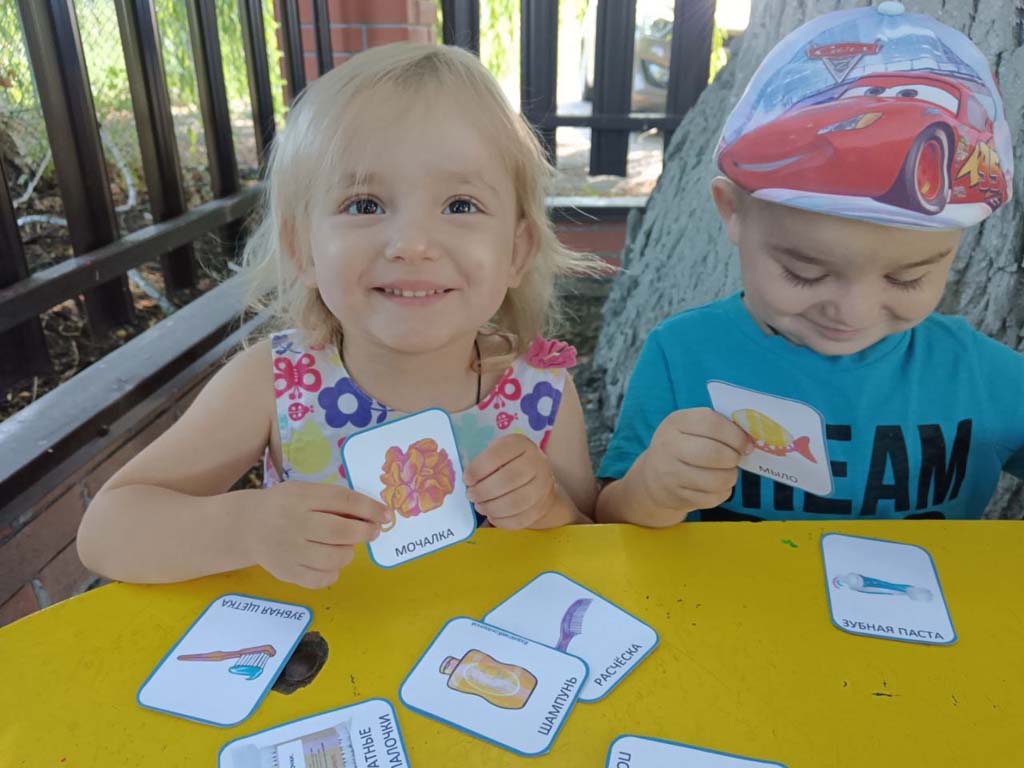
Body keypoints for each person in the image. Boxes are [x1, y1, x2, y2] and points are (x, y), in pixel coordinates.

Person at [79, 43, 602, 588]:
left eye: (460, 205)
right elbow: (107, 530)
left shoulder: (542, 396)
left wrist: (551, 509)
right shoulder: (274, 384)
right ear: (302, 249)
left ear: (516, 252)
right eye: (364, 205)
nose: (412, 244)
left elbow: (600, 549)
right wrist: (245, 527)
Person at [597, 2, 1023, 525]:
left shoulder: (981, 375)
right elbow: (609, 521)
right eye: (805, 273)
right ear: (733, 213)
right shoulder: (682, 356)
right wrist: (649, 490)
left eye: (906, 278)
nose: (853, 311)